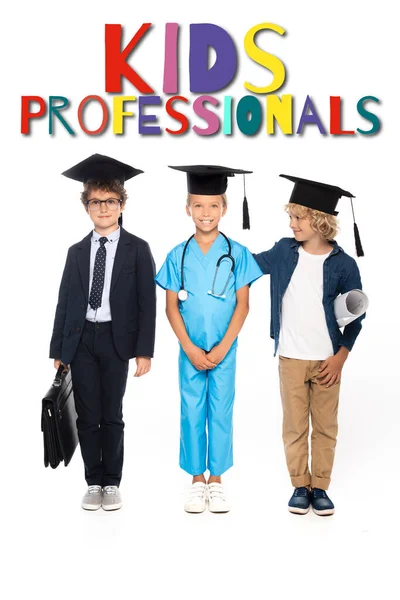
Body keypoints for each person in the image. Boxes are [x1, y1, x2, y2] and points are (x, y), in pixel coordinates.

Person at [49, 153, 156, 511]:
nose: (103, 208)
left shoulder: (138, 250)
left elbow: (147, 304)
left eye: (110, 201)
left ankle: (111, 482)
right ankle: (92, 481)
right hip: (80, 341)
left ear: (123, 204)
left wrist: (144, 350)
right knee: (86, 414)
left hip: (115, 340)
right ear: (86, 207)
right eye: (95, 202)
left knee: (111, 413)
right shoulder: (76, 252)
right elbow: (64, 301)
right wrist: (59, 348)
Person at [253, 174, 365, 516]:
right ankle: (300, 485)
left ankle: (321, 487)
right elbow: (248, 265)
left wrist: (341, 357)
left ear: (319, 220)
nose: (292, 224)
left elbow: (355, 317)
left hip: (327, 360)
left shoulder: (344, 265)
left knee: (326, 427)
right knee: (294, 426)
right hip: (291, 358)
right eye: (291, 217)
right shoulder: (283, 253)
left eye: (298, 218)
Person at [155, 165, 262, 513]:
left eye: (213, 205)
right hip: (190, 349)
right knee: (191, 410)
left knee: (220, 411)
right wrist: (189, 347)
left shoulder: (239, 253)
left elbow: (243, 306)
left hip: (224, 348)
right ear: (187, 208)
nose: (205, 213)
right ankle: (196, 480)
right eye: (198, 206)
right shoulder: (177, 255)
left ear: (225, 208)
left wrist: (221, 347)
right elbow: (171, 307)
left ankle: (216, 481)